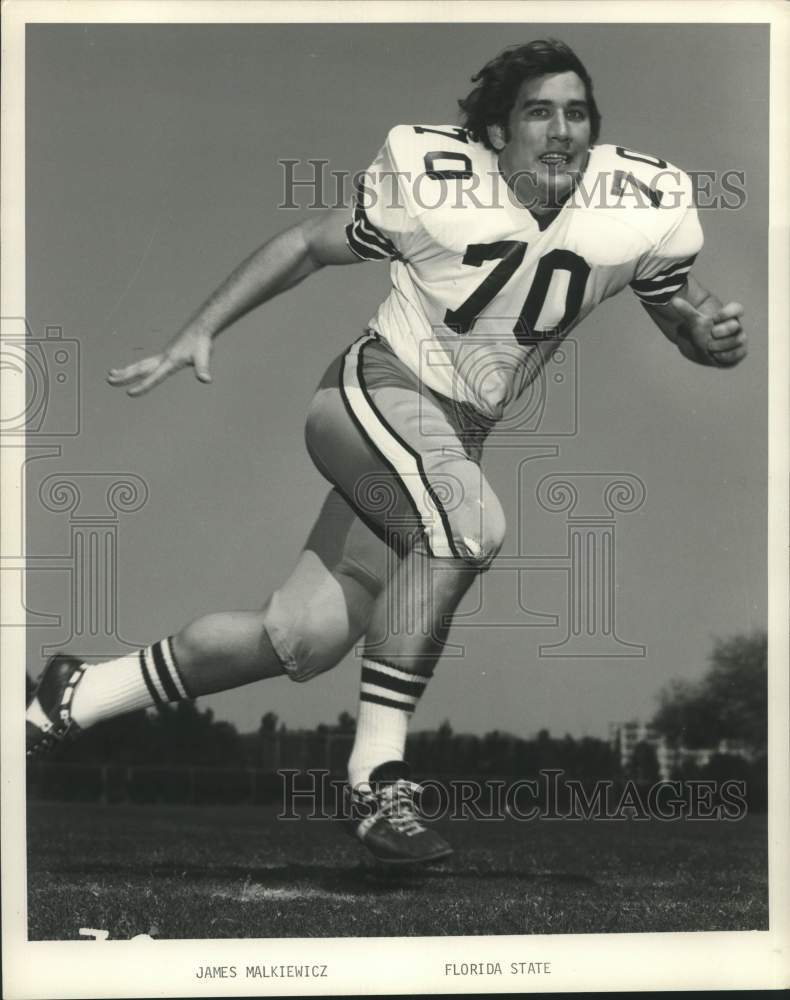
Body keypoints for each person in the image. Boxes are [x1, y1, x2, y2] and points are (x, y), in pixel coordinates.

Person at [26, 38, 747, 865]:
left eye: (577, 113)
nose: (561, 132)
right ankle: (375, 780)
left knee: (298, 639)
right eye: (538, 113)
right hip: (370, 396)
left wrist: (707, 337)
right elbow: (305, 244)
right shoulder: (439, 183)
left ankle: (76, 696)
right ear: (497, 132)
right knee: (467, 525)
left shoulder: (640, 204)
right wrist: (199, 328)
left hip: (444, 444)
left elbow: (677, 306)